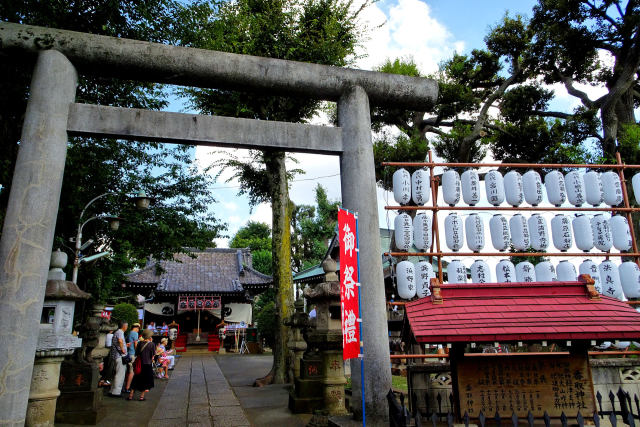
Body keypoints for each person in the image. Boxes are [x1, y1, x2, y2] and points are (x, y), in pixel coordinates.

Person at [127, 329, 156, 401]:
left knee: (136, 379)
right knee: (145, 380)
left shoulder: (139, 343)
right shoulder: (152, 344)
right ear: (149, 336)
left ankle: (130, 395)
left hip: (139, 364)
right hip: (147, 364)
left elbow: (136, 353)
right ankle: (141, 397)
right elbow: (153, 355)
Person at [108, 321, 128, 397]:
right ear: (124, 326)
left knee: (116, 374)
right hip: (120, 356)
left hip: (116, 356)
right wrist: (123, 349)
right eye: (126, 326)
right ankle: (116, 392)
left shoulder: (117, 332)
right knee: (120, 374)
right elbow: (120, 341)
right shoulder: (120, 332)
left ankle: (112, 390)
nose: (127, 327)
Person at [124, 323, 140, 393]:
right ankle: (128, 387)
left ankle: (125, 386)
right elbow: (136, 345)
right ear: (137, 328)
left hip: (127, 353)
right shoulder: (135, 334)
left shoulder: (129, 333)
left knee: (127, 371)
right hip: (133, 353)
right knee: (132, 371)